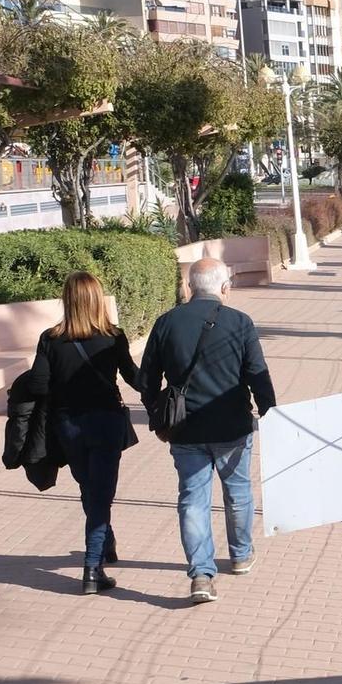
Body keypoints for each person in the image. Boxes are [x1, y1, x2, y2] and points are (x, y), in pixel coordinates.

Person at [142, 258, 277, 603]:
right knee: (238, 492)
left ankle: (201, 574)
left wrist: (158, 415)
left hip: (185, 430)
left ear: (189, 287)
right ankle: (241, 555)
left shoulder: (166, 323)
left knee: (193, 500)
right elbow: (257, 374)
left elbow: (147, 382)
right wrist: (270, 412)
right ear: (224, 287)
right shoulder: (240, 323)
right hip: (232, 425)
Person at [13, 273, 145, 593]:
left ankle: (105, 543)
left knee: (90, 488)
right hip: (106, 423)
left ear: (68, 300)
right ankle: (92, 569)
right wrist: (160, 389)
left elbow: (39, 384)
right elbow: (133, 377)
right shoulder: (113, 336)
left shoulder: (50, 338)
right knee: (100, 495)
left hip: (68, 425)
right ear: (97, 300)